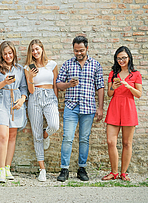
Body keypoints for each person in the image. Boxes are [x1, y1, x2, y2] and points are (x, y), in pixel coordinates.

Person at [56, 36, 104, 182]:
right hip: (71, 106)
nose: (78, 53)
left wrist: (100, 108)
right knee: (67, 138)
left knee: (84, 139)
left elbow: (100, 87)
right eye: (76, 50)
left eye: (81, 50)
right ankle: (64, 169)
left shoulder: (95, 65)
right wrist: (68, 84)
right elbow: (58, 84)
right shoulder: (67, 64)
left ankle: (81, 169)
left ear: (87, 49)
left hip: (88, 107)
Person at [0, 41, 28, 183]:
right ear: (1, 55)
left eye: (10, 53)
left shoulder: (19, 69)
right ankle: (1, 170)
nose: (8, 56)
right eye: (5, 54)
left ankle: (8, 167)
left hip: (15, 103)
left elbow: (24, 87)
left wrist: (22, 99)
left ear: (14, 53)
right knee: (3, 136)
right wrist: (4, 83)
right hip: (0, 103)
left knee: (12, 136)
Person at [102, 46, 142, 181]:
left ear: (129, 57)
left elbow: (139, 94)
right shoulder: (113, 73)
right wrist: (114, 86)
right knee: (110, 141)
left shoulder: (136, 74)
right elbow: (109, 94)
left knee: (127, 143)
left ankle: (123, 173)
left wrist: (129, 86)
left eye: (124, 57)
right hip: (114, 107)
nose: (121, 60)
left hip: (128, 108)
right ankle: (114, 172)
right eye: (119, 58)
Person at [24, 39, 59, 182]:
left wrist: (56, 101)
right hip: (35, 98)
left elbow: (55, 85)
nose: (35, 52)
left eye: (37, 49)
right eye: (32, 50)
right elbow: (30, 90)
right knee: (35, 134)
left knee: (54, 125)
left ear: (42, 49)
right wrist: (31, 76)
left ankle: (46, 135)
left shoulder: (52, 65)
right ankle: (42, 169)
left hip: (50, 97)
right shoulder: (28, 68)